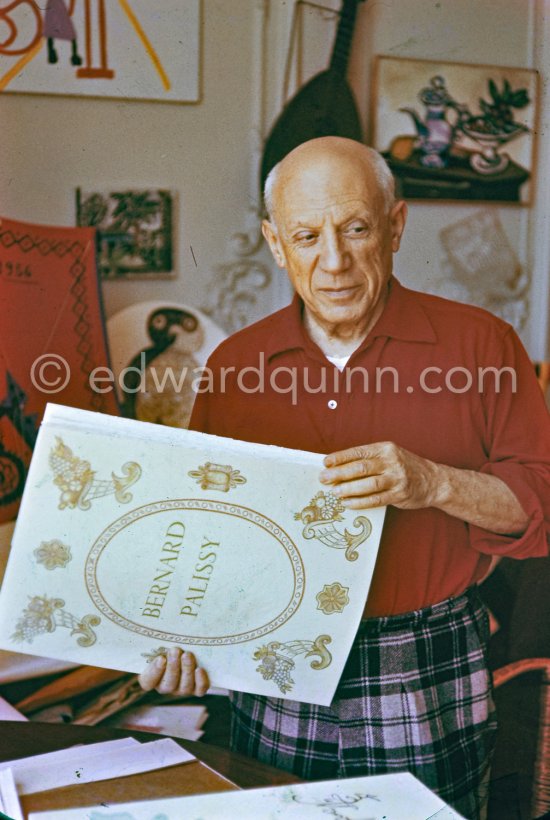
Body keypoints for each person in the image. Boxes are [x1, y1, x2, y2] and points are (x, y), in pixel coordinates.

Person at [138, 137, 550, 818]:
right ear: (276, 243)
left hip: (423, 666)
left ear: (395, 225)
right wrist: (180, 642)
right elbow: (202, 540)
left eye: (356, 229)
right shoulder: (235, 364)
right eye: (307, 235)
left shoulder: (483, 345)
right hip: (275, 663)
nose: (334, 261)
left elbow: (541, 503)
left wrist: (434, 483)